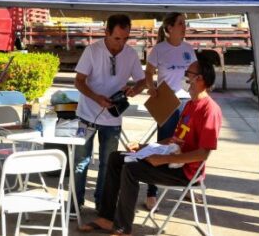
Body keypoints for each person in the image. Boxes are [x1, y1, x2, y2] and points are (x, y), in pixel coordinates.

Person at [78, 55, 222, 236]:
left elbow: (203, 154)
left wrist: (164, 159)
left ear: (199, 79)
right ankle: (107, 218)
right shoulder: (190, 105)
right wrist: (144, 147)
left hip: (185, 172)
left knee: (131, 170)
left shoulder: (210, 110)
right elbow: (173, 140)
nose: (184, 77)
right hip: (171, 160)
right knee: (116, 158)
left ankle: (123, 228)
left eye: (188, 74)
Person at [74, 14, 146, 211]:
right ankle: (75, 203)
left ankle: (103, 205)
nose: (121, 43)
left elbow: (142, 80)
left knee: (108, 165)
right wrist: (97, 98)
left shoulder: (130, 54)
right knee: (80, 162)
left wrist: (135, 90)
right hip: (86, 115)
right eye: (117, 38)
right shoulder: (92, 51)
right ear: (106, 33)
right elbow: (78, 81)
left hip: (113, 119)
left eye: (125, 38)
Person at [142, 12, 197, 210]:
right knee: (162, 145)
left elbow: (195, 75)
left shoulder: (189, 49)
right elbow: (148, 72)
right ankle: (151, 191)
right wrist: (151, 86)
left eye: (185, 23)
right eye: (181, 23)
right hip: (166, 101)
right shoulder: (159, 49)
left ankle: (188, 187)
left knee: (186, 146)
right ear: (169, 28)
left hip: (186, 103)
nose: (184, 26)